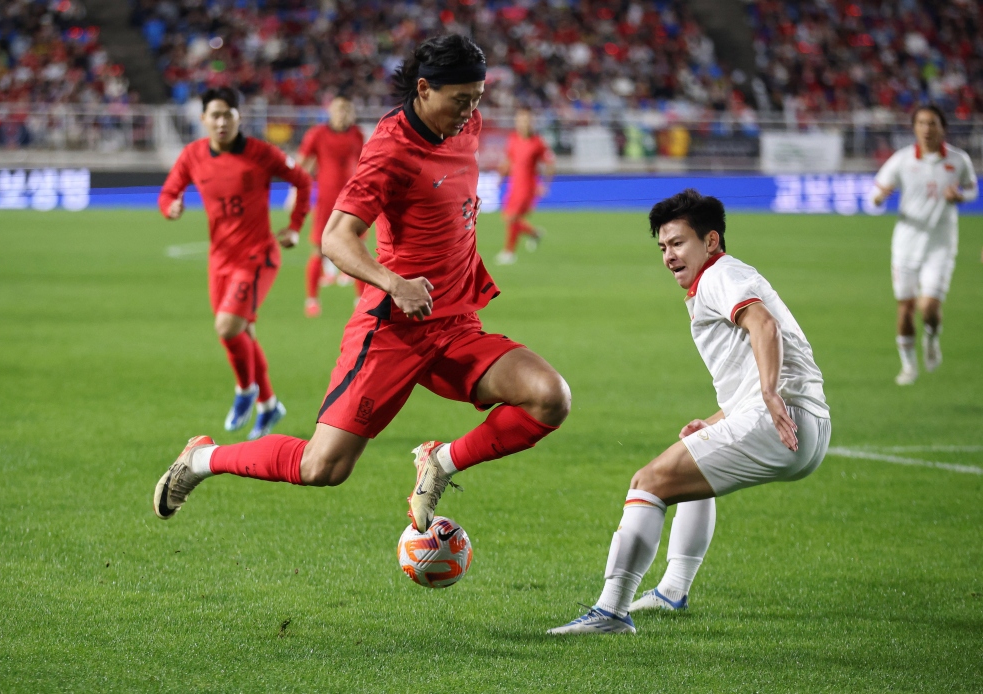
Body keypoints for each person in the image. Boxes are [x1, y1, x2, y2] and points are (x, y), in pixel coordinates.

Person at [153, 35, 571, 535]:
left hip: (456, 321)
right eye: (461, 100)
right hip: (394, 327)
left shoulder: (467, 124)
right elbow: (335, 238)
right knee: (322, 468)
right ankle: (202, 459)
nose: (471, 112)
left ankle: (439, 463)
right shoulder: (391, 149)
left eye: (477, 99)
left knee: (550, 397)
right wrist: (395, 283)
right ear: (423, 89)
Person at [548, 189, 830, 635]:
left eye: (678, 243)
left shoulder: (721, 275)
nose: (668, 255)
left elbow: (764, 324)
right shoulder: (720, 279)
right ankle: (671, 591)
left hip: (780, 416)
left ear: (711, 241)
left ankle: (610, 613)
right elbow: (753, 362)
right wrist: (720, 421)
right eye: (662, 247)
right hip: (802, 425)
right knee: (690, 458)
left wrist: (771, 394)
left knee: (649, 481)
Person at [158, 87, 311, 440]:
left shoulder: (261, 153)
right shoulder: (193, 155)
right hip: (220, 260)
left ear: (239, 117)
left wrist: (294, 227)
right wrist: (171, 208)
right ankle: (270, 404)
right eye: (215, 115)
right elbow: (168, 193)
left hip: (257, 256)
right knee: (244, 334)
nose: (221, 121)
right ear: (204, 120)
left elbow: (302, 181)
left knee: (228, 328)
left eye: (228, 114)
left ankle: (245, 391)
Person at [870, 104, 978, 386]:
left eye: (932, 123)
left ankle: (931, 338)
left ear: (942, 127)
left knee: (928, 306)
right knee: (905, 308)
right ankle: (908, 366)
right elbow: (875, 194)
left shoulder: (958, 160)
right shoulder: (902, 160)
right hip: (906, 244)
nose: (927, 129)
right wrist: (880, 198)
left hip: (941, 245)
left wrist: (961, 196)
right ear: (914, 128)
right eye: (921, 123)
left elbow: (972, 188)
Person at [293, 95, 366, 317]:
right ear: (331, 112)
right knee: (319, 249)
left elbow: (364, 163)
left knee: (358, 250)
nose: (342, 114)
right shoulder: (317, 134)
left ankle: (360, 301)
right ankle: (312, 300)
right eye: (338, 110)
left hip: (353, 199)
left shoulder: (357, 134)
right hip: (326, 201)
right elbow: (302, 164)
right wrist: (298, 188)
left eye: (346, 110)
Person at [495, 108, 554, 265]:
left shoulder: (537, 142)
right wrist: (501, 177)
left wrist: (545, 184)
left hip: (528, 187)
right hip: (514, 185)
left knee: (512, 217)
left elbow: (550, 164)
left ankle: (509, 252)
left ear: (531, 122)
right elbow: (508, 160)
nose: (523, 124)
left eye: (526, 120)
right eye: (520, 120)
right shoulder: (513, 139)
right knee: (509, 218)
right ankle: (534, 233)